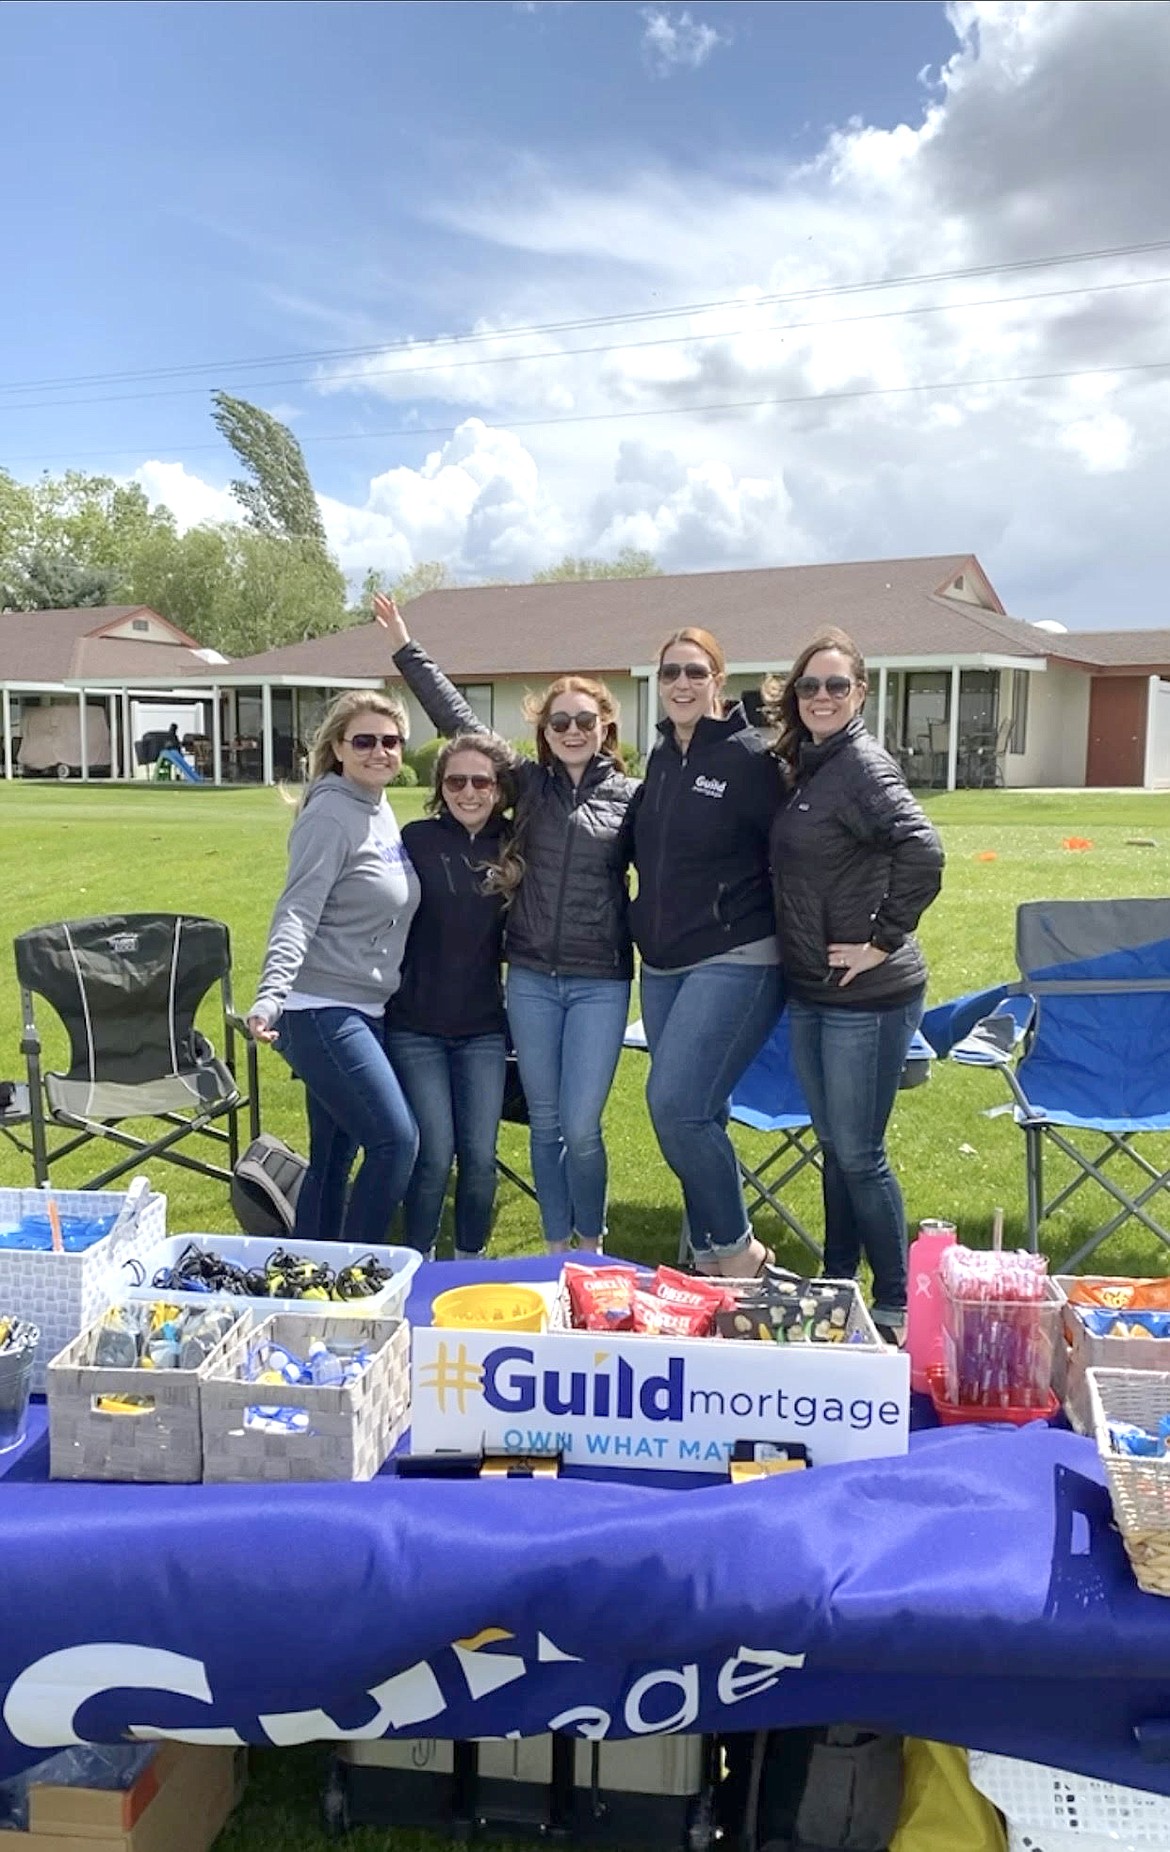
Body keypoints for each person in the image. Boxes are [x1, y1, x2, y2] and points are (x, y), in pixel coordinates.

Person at [374, 592, 636, 1256]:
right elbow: (457, 719)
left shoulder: (636, 799)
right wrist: (406, 646)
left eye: (584, 719)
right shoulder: (530, 787)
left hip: (599, 980)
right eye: (558, 721)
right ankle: (557, 1252)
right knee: (545, 1124)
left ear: (606, 725)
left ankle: (591, 1247)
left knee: (582, 1127)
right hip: (529, 981)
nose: (571, 730)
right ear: (543, 730)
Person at [765, 627, 944, 1343]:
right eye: (810, 686)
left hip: (868, 996)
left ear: (860, 693)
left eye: (837, 685)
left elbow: (923, 849)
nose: (822, 697)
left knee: (860, 1151)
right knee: (834, 1144)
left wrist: (880, 940)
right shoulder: (811, 763)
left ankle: (897, 1299)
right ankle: (839, 1280)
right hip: (816, 988)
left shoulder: (860, 764)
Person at [628, 627, 784, 1279]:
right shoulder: (662, 757)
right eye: (670, 674)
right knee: (702, 1113)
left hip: (737, 955)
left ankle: (739, 1253)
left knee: (676, 1106)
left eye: (695, 672)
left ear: (718, 680)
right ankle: (706, 1264)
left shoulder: (751, 759)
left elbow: (802, 851)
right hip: (663, 965)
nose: (682, 684)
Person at [246, 690, 420, 1246]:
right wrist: (271, 995)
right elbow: (296, 910)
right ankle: (361, 1270)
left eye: (389, 741)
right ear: (339, 748)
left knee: (332, 1157)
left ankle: (311, 1269)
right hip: (319, 1010)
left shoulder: (377, 804)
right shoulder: (330, 814)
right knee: (396, 1141)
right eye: (363, 741)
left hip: (365, 1007)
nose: (378, 751)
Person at [384, 734, 516, 1260]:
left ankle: (469, 1261)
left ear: (499, 787)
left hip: (483, 1029)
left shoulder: (516, 842)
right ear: (441, 788)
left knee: (480, 1157)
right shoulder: (415, 839)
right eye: (455, 781)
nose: (468, 791)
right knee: (434, 1155)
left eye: (481, 781)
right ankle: (415, 1262)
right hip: (415, 1026)